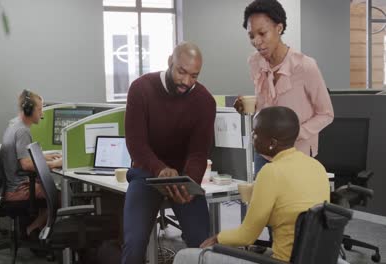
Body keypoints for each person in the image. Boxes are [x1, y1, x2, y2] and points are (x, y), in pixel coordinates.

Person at [173, 106, 331, 264]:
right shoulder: (317, 166)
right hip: (315, 258)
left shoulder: (271, 172)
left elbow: (247, 236)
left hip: (284, 261)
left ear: (272, 143)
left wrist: (216, 238)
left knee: (184, 256)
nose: (251, 136)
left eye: (255, 132)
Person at [122, 41, 216, 264]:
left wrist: (189, 181)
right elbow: (136, 144)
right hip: (146, 172)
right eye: (182, 72)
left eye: (194, 75)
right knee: (134, 243)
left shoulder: (204, 101)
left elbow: (198, 152)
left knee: (202, 244)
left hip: (184, 176)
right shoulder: (141, 89)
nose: (186, 81)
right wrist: (161, 169)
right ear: (170, 62)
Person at [233, 0, 334, 174]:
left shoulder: (305, 66)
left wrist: (294, 134)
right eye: (251, 36)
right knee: (262, 199)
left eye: (262, 33)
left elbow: (326, 114)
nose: (256, 41)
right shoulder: (255, 62)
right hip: (264, 153)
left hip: (297, 153)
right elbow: (269, 104)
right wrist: (251, 106)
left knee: (290, 201)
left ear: (279, 28)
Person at [0, 89, 62, 239]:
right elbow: (26, 165)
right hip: (17, 189)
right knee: (59, 196)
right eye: (39, 109)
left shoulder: (14, 126)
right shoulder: (22, 131)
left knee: (46, 186)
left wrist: (46, 157)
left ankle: (38, 229)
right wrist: (55, 164)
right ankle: (31, 230)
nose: (42, 114)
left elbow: (24, 157)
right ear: (29, 110)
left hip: (10, 185)